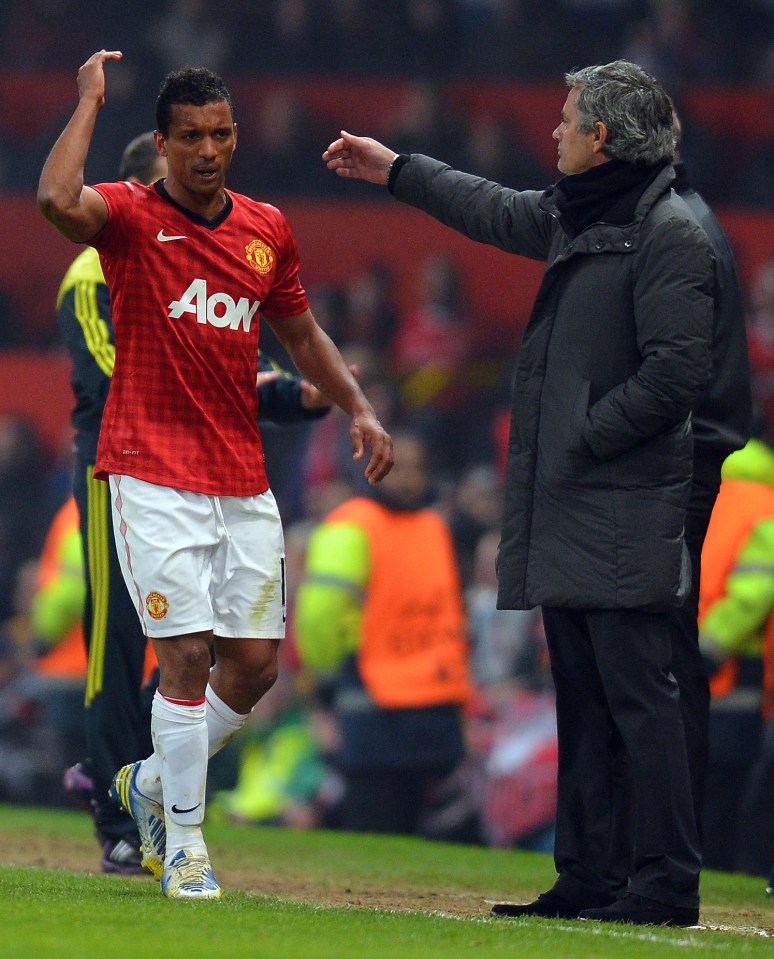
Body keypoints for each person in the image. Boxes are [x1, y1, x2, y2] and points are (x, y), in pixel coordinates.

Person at [323, 60, 715, 926]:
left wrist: (586, 432)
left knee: (639, 699)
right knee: (582, 691)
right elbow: (491, 207)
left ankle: (664, 878)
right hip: (577, 503)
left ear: (602, 137)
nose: (554, 130)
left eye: (567, 119)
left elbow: (680, 372)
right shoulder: (585, 216)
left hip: (621, 501)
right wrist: (397, 168)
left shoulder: (669, 233)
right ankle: (588, 874)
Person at [38, 50, 392, 901]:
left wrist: (360, 408)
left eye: (221, 134)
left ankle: (151, 781)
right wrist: (87, 101)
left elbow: (302, 337)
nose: (208, 149)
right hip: (150, 470)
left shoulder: (267, 228)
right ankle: (187, 843)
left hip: (240, 477)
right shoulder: (126, 218)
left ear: (235, 138)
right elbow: (55, 199)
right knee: (186, 653)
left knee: (257, 666)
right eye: (190, 136)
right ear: (162, 143)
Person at [294, 429, 476, 840]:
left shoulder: (434, 527)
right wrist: (326, 684)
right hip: (373, 698)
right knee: (377, 825)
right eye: (398, 467)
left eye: (417, 469)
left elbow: (448, 619)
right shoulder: (352, 527)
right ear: (372, 468)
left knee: (414, 835)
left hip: (431, 698)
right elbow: (320, 617)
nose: (409, 479)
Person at [668, 114, 752, 844]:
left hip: (726, 666)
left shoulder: (682, 232)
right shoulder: (747, 470)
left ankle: (664, 855)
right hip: (736, 674)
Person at [698, 433, 774, 875]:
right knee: (735, 785)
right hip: (737, 665)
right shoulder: (765, 507)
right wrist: (715, 644)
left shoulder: (705, 494)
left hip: (687, 658)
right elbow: (756, 590)